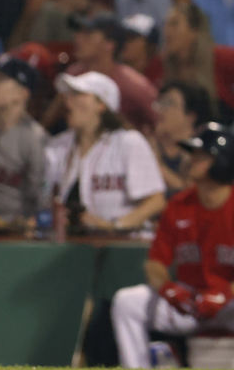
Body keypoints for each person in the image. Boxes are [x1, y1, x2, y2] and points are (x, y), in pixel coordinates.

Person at [110, 123, 234, 369]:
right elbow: (155, 264)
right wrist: (169, 289)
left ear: (223, 163)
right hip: (189, 300)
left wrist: (228, 292)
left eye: (202, 156)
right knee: (127, 302)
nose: (192, 160)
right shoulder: (179, 205)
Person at [45, 72, 165, 232]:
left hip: (124, 245)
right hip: (75, 246)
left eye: (78, 94)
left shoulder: (128, 142)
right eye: (68, 95)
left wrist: (115, 226)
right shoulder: (58, 146)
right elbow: (43, 199)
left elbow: (155, 201)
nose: (68, 101)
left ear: (101, 104)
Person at [46, 13, 158, 132]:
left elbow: (161, 121)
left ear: (109, 44)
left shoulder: (133, 84)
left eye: (88, 34)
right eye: (79, 33)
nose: (77, 38)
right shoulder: (74, 74)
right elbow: (48, 122)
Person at [0, 56, 46, 231]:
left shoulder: (34, 138)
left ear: (22, 93)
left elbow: (40, 201)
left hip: (16, 233)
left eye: (0, 80)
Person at [150, 80, 215, 196]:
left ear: (191, 116)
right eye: (160, 103)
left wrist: (156, 166)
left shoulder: (202, 154)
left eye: (169, 103)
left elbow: (193, 194)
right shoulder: (147, 145)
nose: (160, 109)